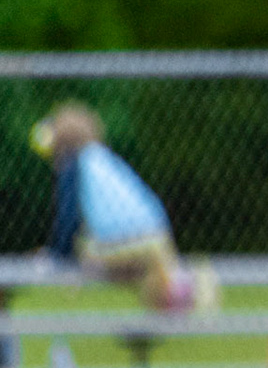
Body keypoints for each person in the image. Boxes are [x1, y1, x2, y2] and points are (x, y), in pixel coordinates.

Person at [31, 102, 212, 311]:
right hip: (158, 234)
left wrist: (57, 255)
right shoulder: (103, 158)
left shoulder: (73, 163)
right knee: (150, 281)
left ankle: (183, 286)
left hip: (124, 242)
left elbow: (68, 216)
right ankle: (180, 288)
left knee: (84, 252)